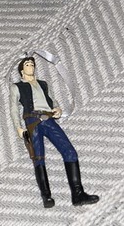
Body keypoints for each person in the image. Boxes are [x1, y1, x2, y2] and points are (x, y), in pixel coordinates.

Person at [9, 57, 99, 208]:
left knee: (70, 151)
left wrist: (57, 109)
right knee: (38, 158)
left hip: (48, 119)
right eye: (27, 64)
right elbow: (13, 108)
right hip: (32, 121)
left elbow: (52, 99)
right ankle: (46, 197)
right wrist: (18, 127)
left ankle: (77, 194)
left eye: (32, 64)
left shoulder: (43, 84)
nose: (31, 66)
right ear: (22, 70)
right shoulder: (17, 87)